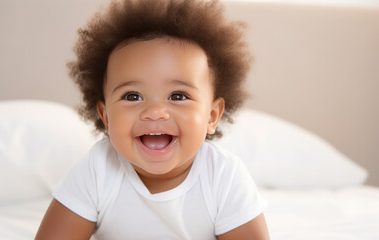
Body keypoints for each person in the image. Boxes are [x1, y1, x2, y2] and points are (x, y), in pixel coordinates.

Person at [36, 0, 269, 239]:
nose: (155, 111)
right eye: (132, 95)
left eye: (178, 96)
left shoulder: (224, 177)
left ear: (211, 116)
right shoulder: (98, 170)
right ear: (106, 117)